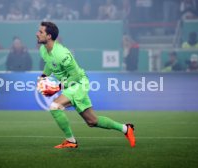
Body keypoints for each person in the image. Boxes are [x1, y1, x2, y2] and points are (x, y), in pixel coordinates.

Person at [36, 21, 135, 149]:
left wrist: (58, 87)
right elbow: (50, 64)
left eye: (40, 32)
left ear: (49, 36)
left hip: (78, 83)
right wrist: (43, 77)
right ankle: (126, 129)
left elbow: (76, 76)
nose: (37, 34)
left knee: (55, 106)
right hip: (71, 85)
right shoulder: (44, 50)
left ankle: (71, 141)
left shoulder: (62, 54)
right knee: (92, 121)